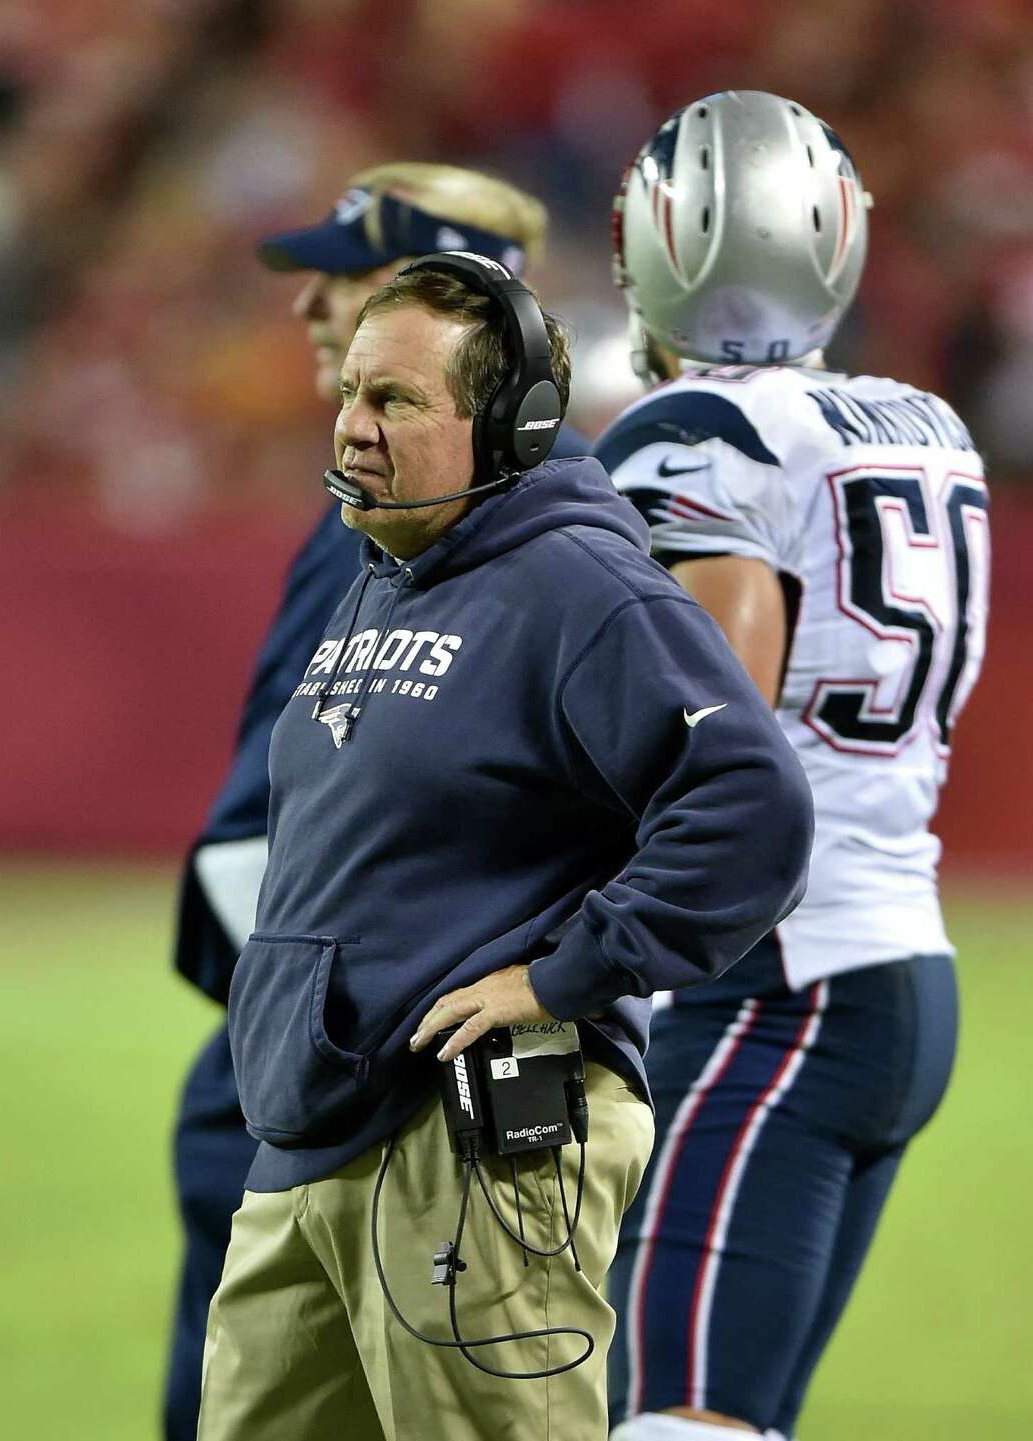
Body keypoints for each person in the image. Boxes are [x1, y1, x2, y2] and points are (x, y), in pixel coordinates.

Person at [195, 252, 813, 1441]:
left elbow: (750, 802)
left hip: (470, 1149)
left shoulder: (580, 585)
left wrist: (561, 977)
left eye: (398, 401)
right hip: (314, 1133)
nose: (355, 427)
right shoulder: (388, 574)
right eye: (352, 393)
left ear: (513, 426)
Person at [164, 163, 589, 1441]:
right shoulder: (388, 505)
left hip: (373, 1051)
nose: (308, 311)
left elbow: (713, 795)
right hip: (319, 1024)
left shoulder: (514, 530)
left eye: (349, 282)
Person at [599, 92, 990, 1441]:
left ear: (654, 245)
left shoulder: (696, 429)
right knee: (736, 1414)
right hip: (897, 967)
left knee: (678, 1419)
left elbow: (706, 751)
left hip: (776, 988)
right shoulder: (922, 422)